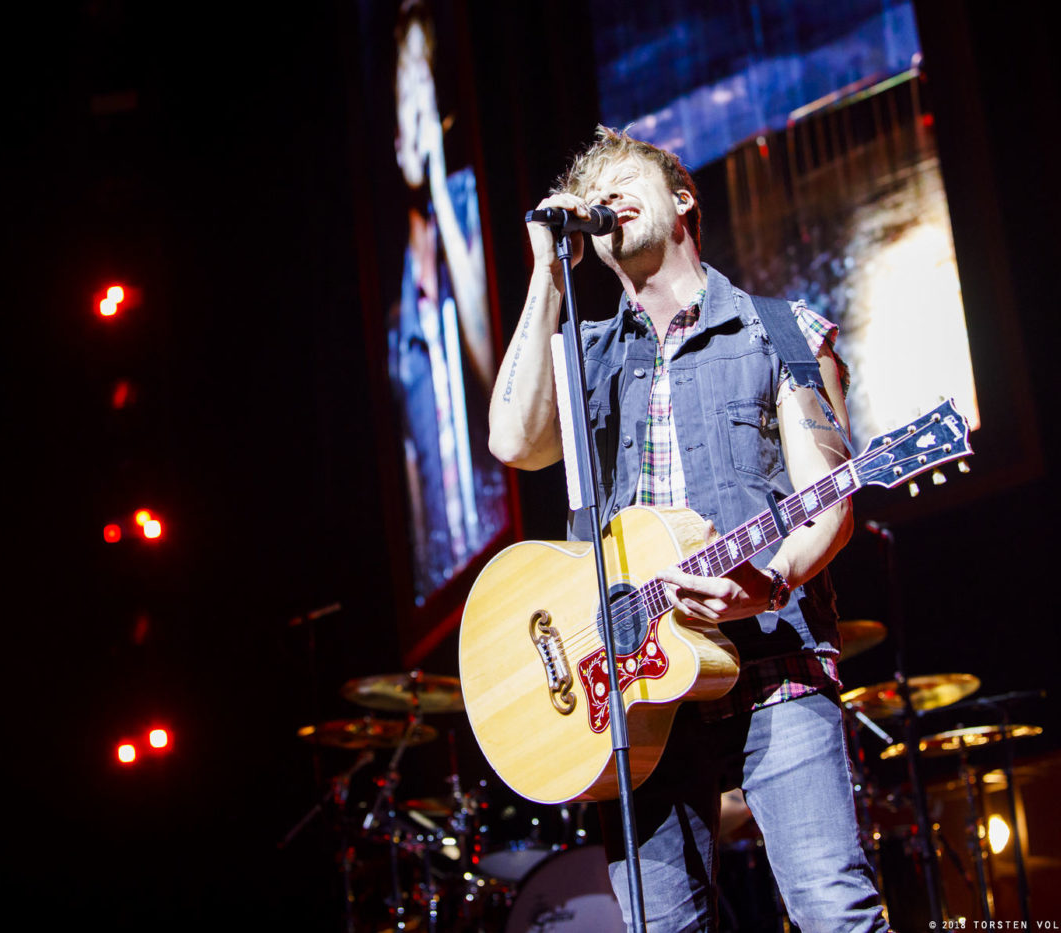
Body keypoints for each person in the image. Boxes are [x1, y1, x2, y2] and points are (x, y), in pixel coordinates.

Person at [488, 126, 892, 932]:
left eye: (622, 178)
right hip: (637, 697)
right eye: (592, 193)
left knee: (833, 907)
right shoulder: (586, 356)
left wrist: (768, 583)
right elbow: (513, 440)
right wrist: (547, 275)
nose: (604, 196)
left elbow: (828, 501)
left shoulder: (782, 332)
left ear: (682, 198)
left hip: (773, 664)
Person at [387, 0, 506, 601]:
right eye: (403, 90)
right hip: (447, 574)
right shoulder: (397, 301)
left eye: (423, 88)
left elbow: (492, 364)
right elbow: (409, 468)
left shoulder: (467, 205)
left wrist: (437, 185)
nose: (413, 113)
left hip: (503, 539)